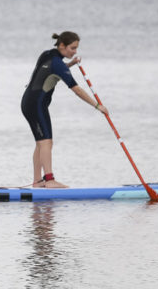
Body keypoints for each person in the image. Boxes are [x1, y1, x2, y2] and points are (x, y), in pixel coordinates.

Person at [20, 31, 107, 188]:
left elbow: (51, 70)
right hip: (36, 105)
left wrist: (71, 64)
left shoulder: (47, 55)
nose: (75, 51)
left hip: (28, 102)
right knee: (46, 142)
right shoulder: (58, 64)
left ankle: (38, 181)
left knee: (41, 142)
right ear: (62, 46)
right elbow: (76, 89)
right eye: (72, 48)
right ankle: (50, 180)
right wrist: (97, 105)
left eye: (76, 48)